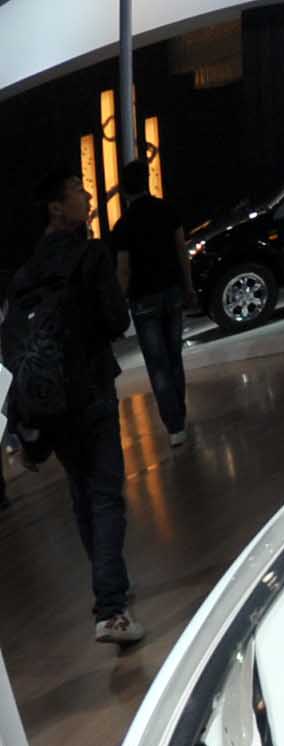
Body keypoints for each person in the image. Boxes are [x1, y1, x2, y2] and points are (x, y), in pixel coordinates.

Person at [5, 170, 143, 644]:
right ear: (57, 208)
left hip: (50, 403)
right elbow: (116, 320)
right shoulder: (91, 255)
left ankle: (110, 584)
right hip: (91, 391)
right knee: (105, 494)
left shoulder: (25, 274)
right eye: (78, 192)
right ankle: (111, 609)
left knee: (82, 493)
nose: (87, 197)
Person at [108, 177, 191, 445]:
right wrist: (188, 286)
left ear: (125, 193)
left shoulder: (123, 225)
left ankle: (174, 426)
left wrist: (119, 304)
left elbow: (123, 269)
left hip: (143, 300)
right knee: (174, 357)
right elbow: (181, 250)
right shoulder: (167, 210)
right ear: (146, 182)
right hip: (172, 291)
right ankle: (180, 413)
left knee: (157, 365)